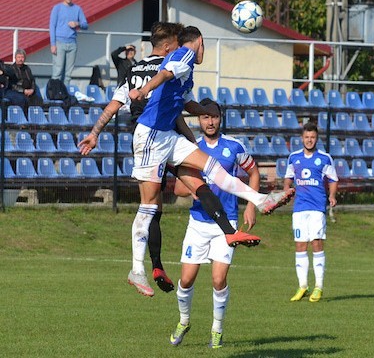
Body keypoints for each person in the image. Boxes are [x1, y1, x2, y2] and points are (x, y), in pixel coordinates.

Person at [127, 26, 293, 296]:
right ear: (200, 42)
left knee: (212, 168)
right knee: (148, 206)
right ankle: (136, 269)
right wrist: (144, 90)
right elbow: (165, 74)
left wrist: (206, 111)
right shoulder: (186, 54)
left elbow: (187, 103)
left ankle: (261, 199)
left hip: (168, 135)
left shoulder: (187, 70)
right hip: (151, 136)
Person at [79, 21, 184, 296]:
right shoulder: (170, 69)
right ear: (169, 46)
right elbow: (179, 109)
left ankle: (155, 265)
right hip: (164, 137)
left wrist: (94, 133)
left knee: (154, 205)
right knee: (157, 203)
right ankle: (146, 266)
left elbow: (114, 105)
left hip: (143, 140)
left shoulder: (134, 70)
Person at [169, 98, 259, 349]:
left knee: (218, 280)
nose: (210, 121)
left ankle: (217, 330)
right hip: (198, 222)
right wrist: (197, 188)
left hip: (226, 223)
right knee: (186, 280)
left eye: (214, 117)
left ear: (221, 118)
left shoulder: (234, 147)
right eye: (206, 117)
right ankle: (184, 321)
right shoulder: (190, 149)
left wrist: (251, 205)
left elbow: (253, 172)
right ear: (198, 120)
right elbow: (178, 187)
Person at [283, 122, 338, 303]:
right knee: (300, 246)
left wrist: (332, 195)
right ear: (302, 138)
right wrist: (286, 191)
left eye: (312, 137)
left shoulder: (324, 158)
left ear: (316, 138)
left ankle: (318, 287)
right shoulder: (293, 157)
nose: (309, 140)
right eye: (306, 137)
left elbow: (333, 179)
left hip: (317, 208)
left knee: (316, 244)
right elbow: (288, 178)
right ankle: (302, 286)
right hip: (299, 208)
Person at [49, 0, 88, 87]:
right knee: (57, 71)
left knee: (68, 74)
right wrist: (53, 44)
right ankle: (54, 93)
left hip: (72, 43)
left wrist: (77, 23)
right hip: (59, 43)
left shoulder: (77, 9)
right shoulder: (57, 8)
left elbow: (85, 24)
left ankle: (64, 93)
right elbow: (52, 26)